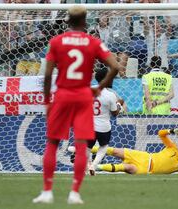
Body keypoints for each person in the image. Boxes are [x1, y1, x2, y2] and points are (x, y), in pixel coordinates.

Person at [32, 5, 120, 205]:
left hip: (62, 95)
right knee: (81, 146)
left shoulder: (56, 41)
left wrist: (47, 101)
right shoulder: (93, 42)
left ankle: (47, 192)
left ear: (68, 22)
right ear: (84, 21)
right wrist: (100, 88)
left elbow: (47, 75)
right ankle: (74, 193)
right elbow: (115, 66)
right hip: (83, 96)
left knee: (52, 143)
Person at [86, 128, 178, 175]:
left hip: (145, 168)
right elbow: (161, 134)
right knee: (115, 151)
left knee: (126, 167)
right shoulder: (173, 148)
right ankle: (83, 149)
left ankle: (96, 167)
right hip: (144, 156)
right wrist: (171, 131)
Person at [87, 68, 124, 176]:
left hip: (89, 124)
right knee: (103, 147)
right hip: (103, 126)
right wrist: (119, 105)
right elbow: (114, 113)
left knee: (87, 147)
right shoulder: (110, 95)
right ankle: (93, 165)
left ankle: (88, 165)